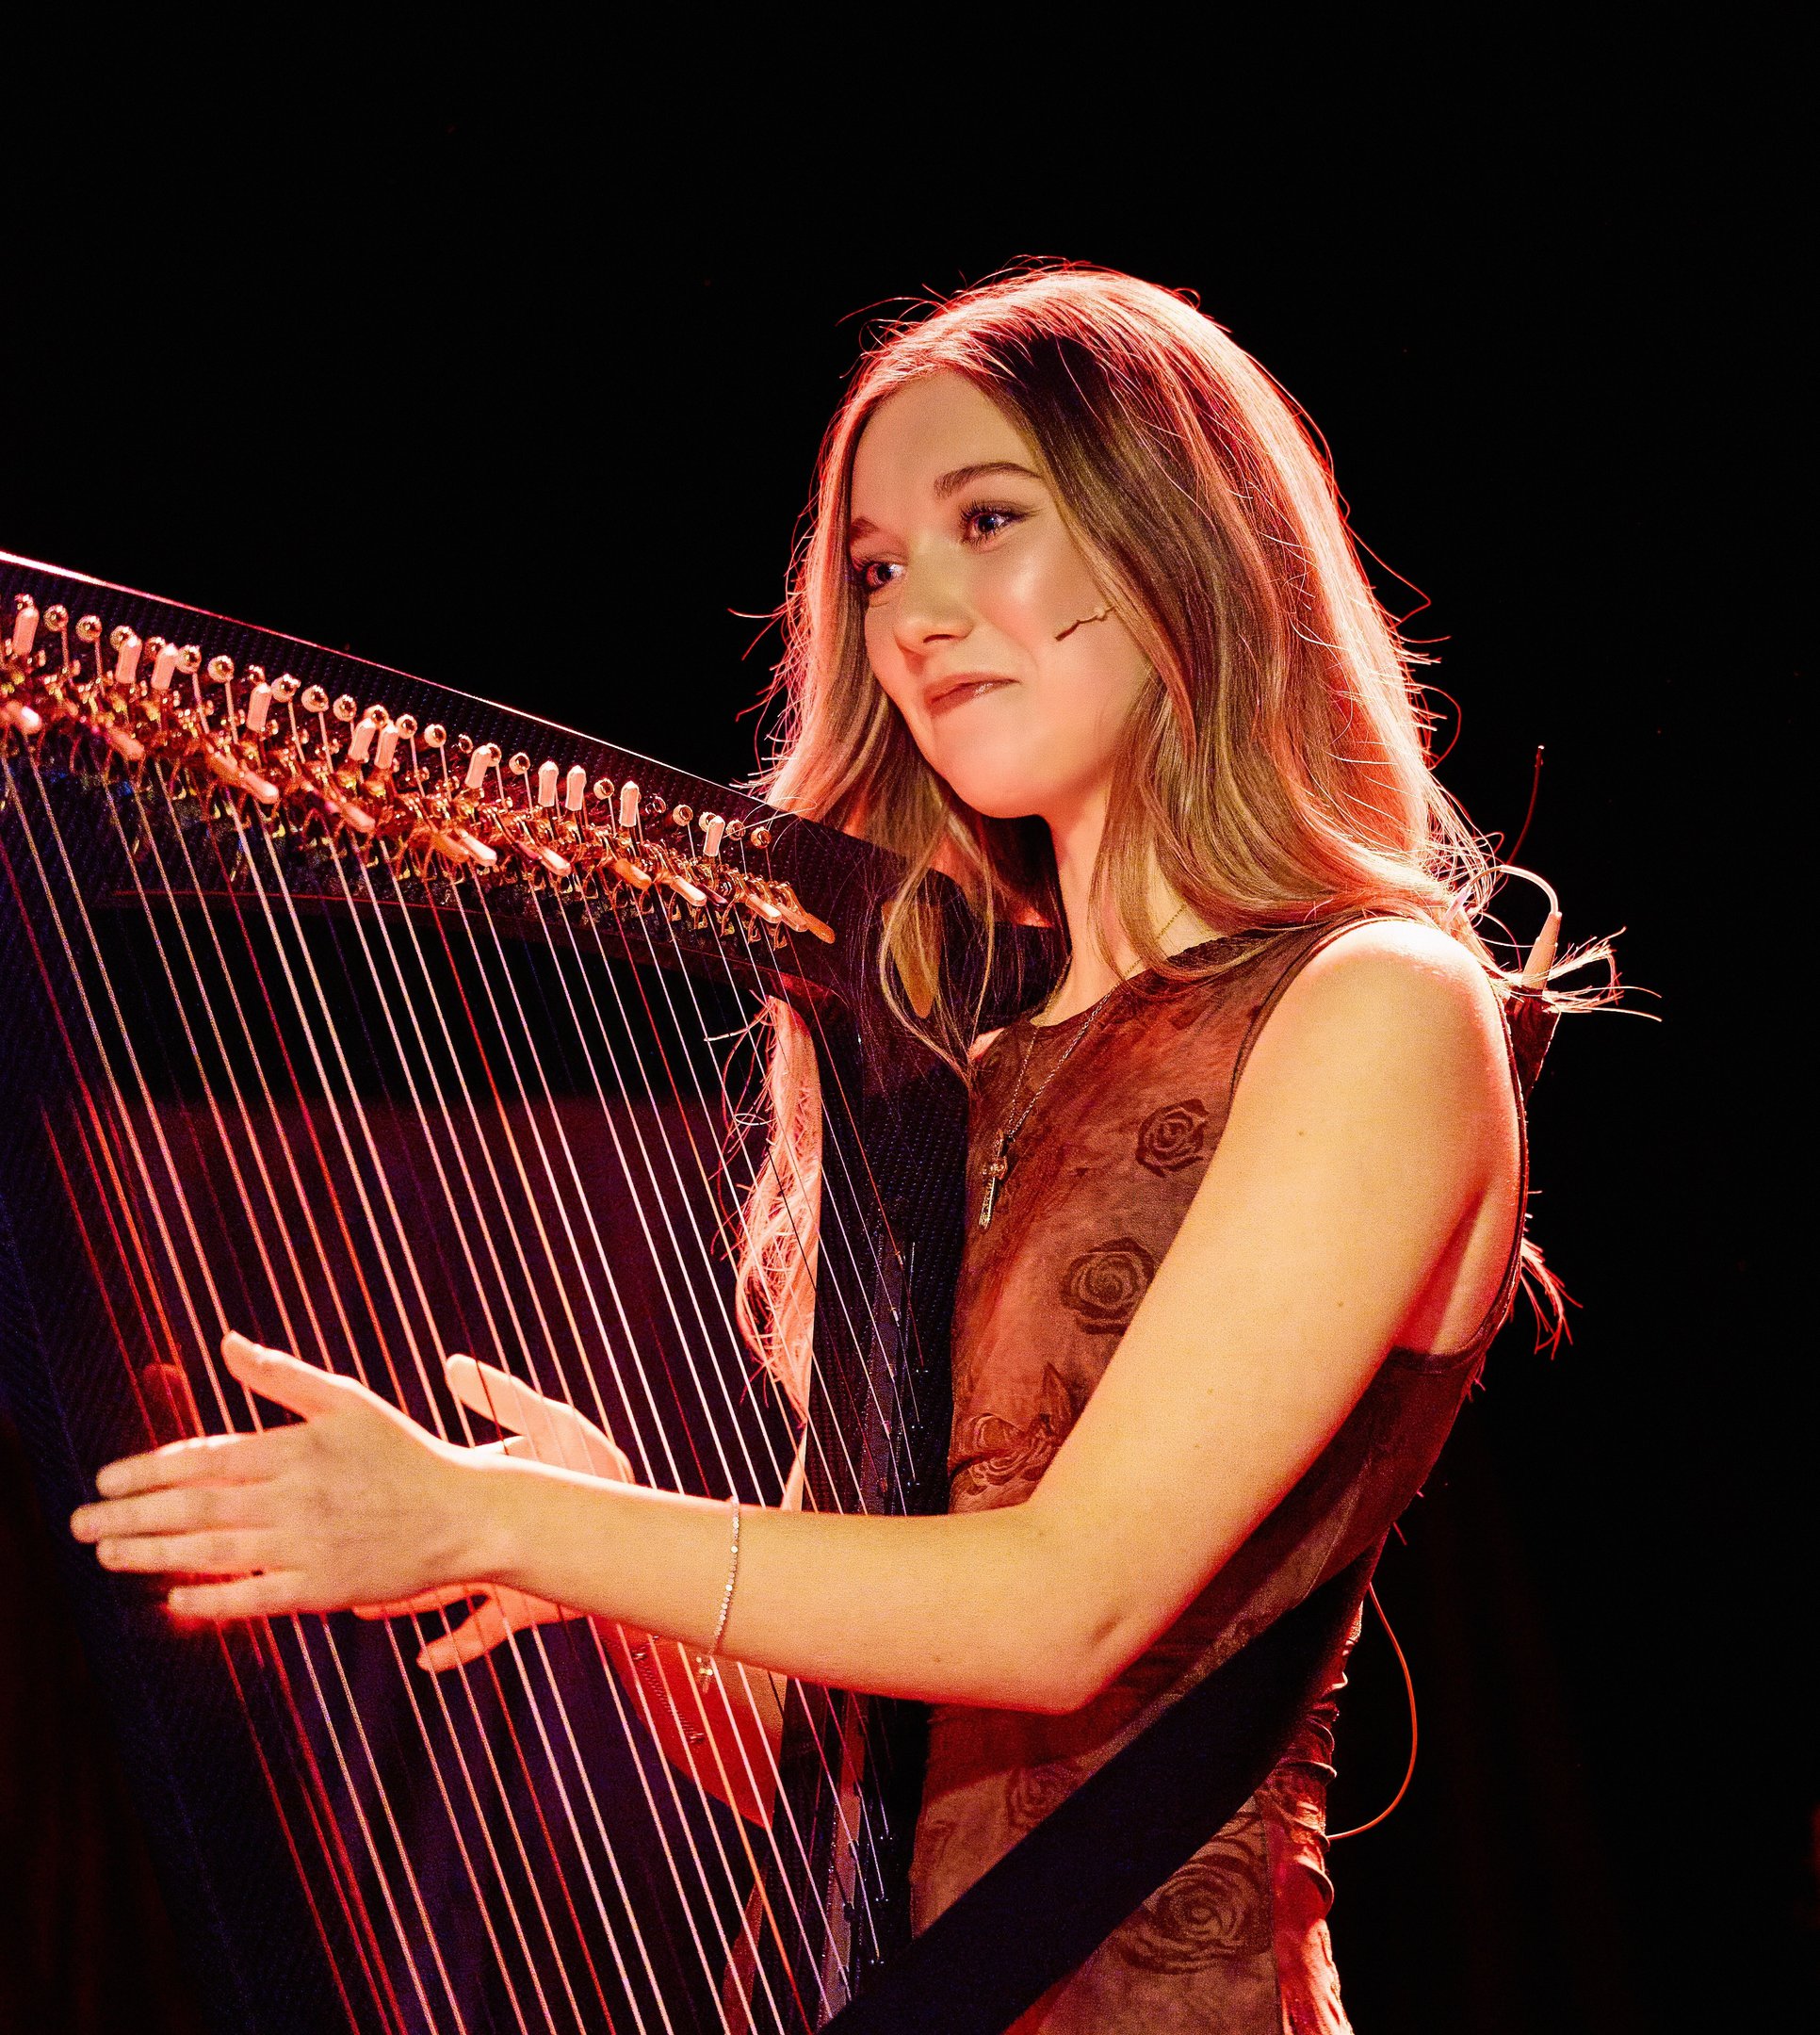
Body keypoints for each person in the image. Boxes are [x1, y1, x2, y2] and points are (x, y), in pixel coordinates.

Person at [70, 266, 1580, 2031]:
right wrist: (584, 1559)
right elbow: (822, 1760)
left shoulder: (1375, 1005)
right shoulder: (938, 1075)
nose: (916, 616)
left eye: (987, 521)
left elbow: (1067, 1610)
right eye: (873, 569)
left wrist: (515, 1519)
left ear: (1184, 540)